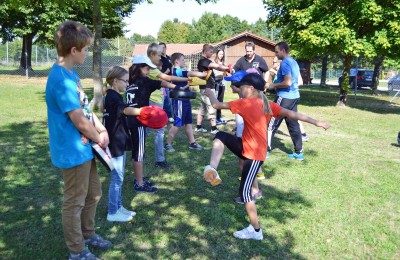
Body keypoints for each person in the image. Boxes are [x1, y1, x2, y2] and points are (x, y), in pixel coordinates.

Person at [202, 73, 330, 240]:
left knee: (245, 192)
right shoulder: (268, 104)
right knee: (221, 135)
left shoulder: (245, 103)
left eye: (241, 87)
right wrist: (316, 122)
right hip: (246, 147)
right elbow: (292, 114)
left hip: (254, 155)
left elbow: (216, 104)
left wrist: (210, 92)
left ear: (250, 88)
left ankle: (255, 231)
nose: (239, 90)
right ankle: (212, 169)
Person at [45, 21, 112, 259]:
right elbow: (78, 121)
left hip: (85, 148)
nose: (87, 52)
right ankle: (77, 251)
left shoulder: (71, 74)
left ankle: (88, 234)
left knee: (94, 194)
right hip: (73, 151)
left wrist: (101, 128)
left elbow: (85, 109)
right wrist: (99, 138)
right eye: (85, 48)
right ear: (73, 50)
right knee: (74, 202)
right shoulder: (60, 79)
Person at [126, 54, 185, 193]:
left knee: (138, 150)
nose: (148, 72)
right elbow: (162, 83)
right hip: (139, 121)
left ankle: (139, 178)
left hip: (131, 119)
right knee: (139, 153)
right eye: (147, 69)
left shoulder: (130, 81)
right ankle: (139, 184)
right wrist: (176, 87)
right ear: (140, 68)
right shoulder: (145, 81)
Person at [102, 66, 143, 222]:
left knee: (119, 177)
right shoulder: (113, 97)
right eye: (125, 81)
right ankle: (112, 212)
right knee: (117, 179)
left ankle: (118, 207)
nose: (127, 85)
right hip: (115, 143)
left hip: (118, 141)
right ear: (115, 81)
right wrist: (142, 111)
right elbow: (125, 110)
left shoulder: (113, 95)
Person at [146, 43, 190, 168]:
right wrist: (184, 81)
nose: (161, 58)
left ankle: (137, 149)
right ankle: (160, 160)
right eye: (159, 55)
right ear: (152, 54)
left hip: (156, 100)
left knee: (148, 128)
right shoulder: (151, 69)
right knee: (159, 129)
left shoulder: (149, 68)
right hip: (153, 101)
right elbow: (167, 78)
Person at [266, 42, 306, 160]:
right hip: (294, 97)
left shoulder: (285, 63)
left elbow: (287, 82)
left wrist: (274, 85)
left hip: (284, 97)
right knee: (293, 124)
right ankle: (299, 152)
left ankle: (265, 150)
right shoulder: (294, 62)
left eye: (277, 52)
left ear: (283, 50)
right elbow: (298, 81)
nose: (276, 54)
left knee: (270, 124)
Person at [164, 52, 207, 152]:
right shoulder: (176, 71)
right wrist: (203, 74)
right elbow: (190, 73)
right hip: (179, 101)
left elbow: (186, 80)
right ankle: (167, 144)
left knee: (188, 123)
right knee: (177, 124)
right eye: (183, 60)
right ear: (177, 61)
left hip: (186, 100)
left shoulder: (179, 71)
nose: (184, 61)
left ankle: (192, 143)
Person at [195, 44, 231, 134]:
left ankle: (198, 127)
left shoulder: (205, 61)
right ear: (205, 51)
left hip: (207, 87)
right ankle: (214, 128)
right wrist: (227, 68)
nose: (212, 54)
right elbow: (217, 66)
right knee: (212, 107)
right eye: (210, 52)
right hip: (208, 88)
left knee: (202, 108)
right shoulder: (203, 61)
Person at [159, 42, 174, 122]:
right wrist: (165, 73)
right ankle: (168, 116)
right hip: (163, 81)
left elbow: (170, 68)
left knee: (170, 98)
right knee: (166, 99)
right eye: (160, 48)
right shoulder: (159, 58)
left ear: (165, 48)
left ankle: (168, 115)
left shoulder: (168, 57)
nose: (162, 49)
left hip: (170, 81)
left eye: (163, 48)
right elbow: (158, 73)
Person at [214, 48, 228, 125]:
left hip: (222, 85)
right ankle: (214, 118)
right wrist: (220, 74)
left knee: (220, 101)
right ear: (217, 54)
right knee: (215, 101)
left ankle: (218, 117)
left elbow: (225, 76)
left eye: (222, 54)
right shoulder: (213, 63)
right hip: (215, 85)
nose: (221, 56)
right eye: (220, 54)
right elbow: (213, 75)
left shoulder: (223, 64)